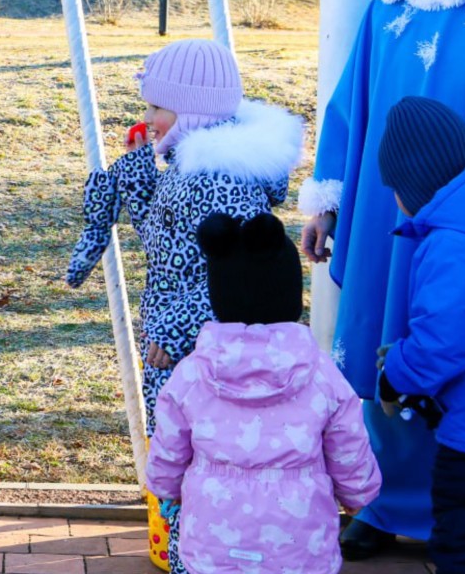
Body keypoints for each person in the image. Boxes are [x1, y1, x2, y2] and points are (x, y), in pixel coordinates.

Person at [299, 0, 465, 560]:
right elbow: (351, 109)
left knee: (449, 344)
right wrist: (329, 202)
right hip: (383, 217)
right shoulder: (388, 13)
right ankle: (381, 502)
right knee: (374, 342)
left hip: (463, 226)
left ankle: (455, 511)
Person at [66, 38, 303, 574]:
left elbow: (237, 277)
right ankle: (184, 552)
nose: (146, 119)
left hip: (199, 358)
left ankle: (197, 557)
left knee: (197, 460)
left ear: (192, 108)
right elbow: (176, 248)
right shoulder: (189, 168)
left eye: (156, 107)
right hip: (182, 351)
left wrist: (172, 329)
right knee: (181, 458)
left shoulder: (217, 180)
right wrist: (139, 185)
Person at [146, 212, 382, 574]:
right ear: (290, 295)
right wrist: (357, 495)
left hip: (213, 545)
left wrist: (166, 488)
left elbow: (169, 447)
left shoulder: (191, 373)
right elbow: (348, 443)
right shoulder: (321, 374)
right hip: (300, 548)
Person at [375, 96, 465, 574]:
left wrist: (393, 373)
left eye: (394, 188)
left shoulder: (453, 244)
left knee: (464, 545)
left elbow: (442, 345)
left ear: (414, 183)